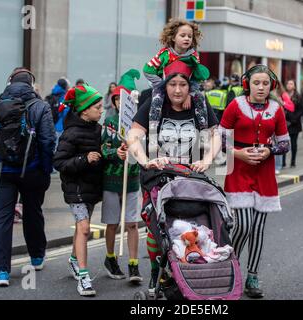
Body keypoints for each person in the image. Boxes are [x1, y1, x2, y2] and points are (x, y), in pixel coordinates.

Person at [127, 60, 220, 297]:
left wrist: (207, 160)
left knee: (192, 227)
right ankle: (156, 271)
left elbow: (215, 135)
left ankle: (190, 272)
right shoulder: (153, 104)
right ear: (165, 86)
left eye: (183, 85)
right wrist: (145, 160)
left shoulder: (199, 105)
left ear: (190, 87)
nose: (177, 90)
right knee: (156, 230)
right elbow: (134, 135)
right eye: (173, 84)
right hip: (157, 176)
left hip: (190, 176)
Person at [0, 68, 56, 287]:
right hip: (32, 170)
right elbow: (48, 141)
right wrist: (46, 169)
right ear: (31, 85)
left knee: (1, 218)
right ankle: (37, 256)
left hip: (2, 171)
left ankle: (1, 272)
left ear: (9, 82)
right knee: (33, 212)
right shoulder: (40, 107)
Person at [220, 65, 290, 299]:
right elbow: (219, 139)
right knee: (244, 224)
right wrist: (237, 153)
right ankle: (232, 268)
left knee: (258, 228)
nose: (261, 87)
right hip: (238, 169)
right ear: (247, 84)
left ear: (271, 86)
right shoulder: (235, 105)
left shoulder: (277, 109)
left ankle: (252, 275)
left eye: (265, 83)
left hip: (264, 173)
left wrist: (270, 151)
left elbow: (284, 143)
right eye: (256, 83)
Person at [53, 84, 104, 297]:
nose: (101, 111)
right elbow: (59, 162)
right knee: (84, 229)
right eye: (98, 108)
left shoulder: (97, 129)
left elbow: (101, 156)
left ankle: (74, 260)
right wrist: (84, 159)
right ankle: (83, 277)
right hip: (76, 189)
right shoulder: (70, 133)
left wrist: (114, 153)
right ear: (85, 110)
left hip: (92, 186)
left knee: (80, 228)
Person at [101, 70, 143, 283]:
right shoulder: (109, 122)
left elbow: (145, 150)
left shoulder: (140, 124)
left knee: (132, 224)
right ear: (114, 102)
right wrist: (114, 153)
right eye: (116, 99)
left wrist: (137, 149)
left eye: (123, 99)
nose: (119, 103)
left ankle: (133, 265)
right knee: (112, 223)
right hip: (111, 180)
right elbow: (103, 149)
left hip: (133, 180)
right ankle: (110, 259)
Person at [143, 18, 209, 114]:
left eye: (190, 36)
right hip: (164, 87)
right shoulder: (164, 54)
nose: (187, 38)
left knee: (201, 97)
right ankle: (153, 125)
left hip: (186, 89)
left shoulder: (194, 57)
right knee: (156, 98)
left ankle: (203, 126)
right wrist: (162, 85)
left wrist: (190, 94)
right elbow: (147, 70)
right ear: (173, 38)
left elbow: (197, 78)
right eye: (182, 35)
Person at [283, 80, 303, 168]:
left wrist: (294, 119)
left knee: (293, 143)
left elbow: (301, 109)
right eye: (288, 83)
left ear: (294, 86)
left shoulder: (298, 96)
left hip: (295, 123)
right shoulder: (283, 96)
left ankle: (293, 161)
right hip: (285, 123)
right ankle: (283, 162)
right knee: (283, 143)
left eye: (291, 83)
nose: (289, 85)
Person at [45, 78, 70, 148]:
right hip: (60, 127)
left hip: (50, 126)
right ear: (65, 86)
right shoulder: (64, 96)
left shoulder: (52, 94)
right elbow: (65, 113)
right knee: (58, 148)